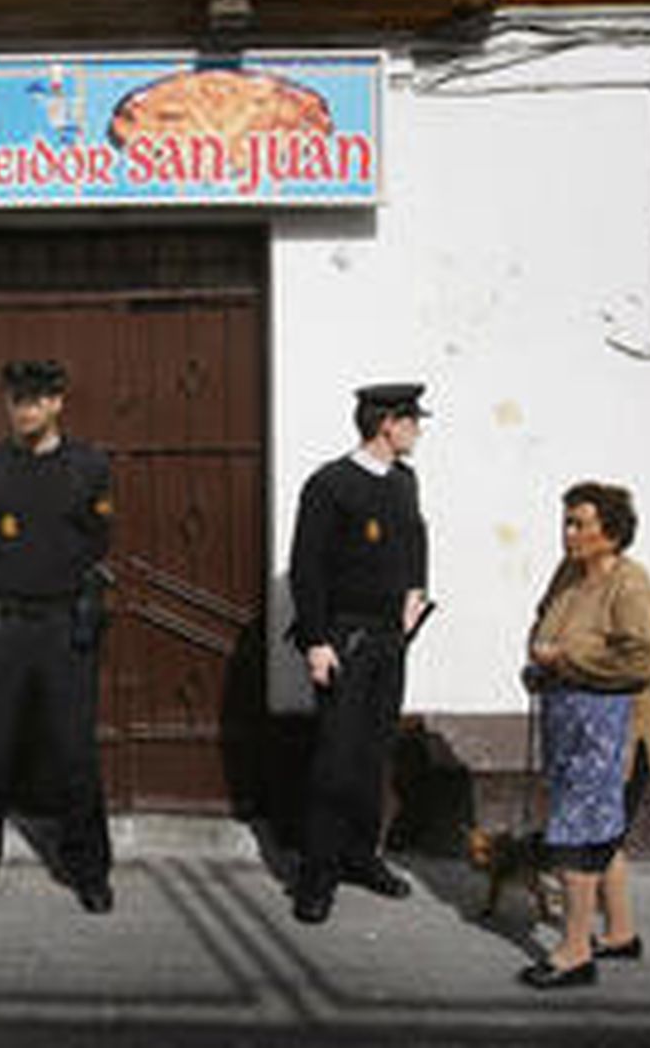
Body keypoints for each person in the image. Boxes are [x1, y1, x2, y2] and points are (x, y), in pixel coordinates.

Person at [0, 359, 115, 914]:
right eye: (16, 399)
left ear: (57, 403)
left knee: (75, 754)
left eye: (36, 399)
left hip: (65, 627)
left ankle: (88, 872)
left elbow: (99, 539)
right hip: (8, 626)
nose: (24, 409)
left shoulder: (89, 467)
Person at [288, 383, 432, 924]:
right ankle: (316, 875)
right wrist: (317, 641)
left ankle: (360, 856)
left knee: (374, 753)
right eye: (412, 420)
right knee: (335, 760)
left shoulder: (404, 480)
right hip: (343, 642)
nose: (418, 429)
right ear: (386, 423)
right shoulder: (330, 485)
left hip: (390, 643)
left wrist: (416, 588)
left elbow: (416, 538)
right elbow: (307, 569)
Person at [519, 481, 650, 990]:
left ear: (612, 533)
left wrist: (568, 659)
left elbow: (643, 657)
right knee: (602, 834)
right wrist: (538, 664)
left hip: (618, 737)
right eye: (567, 522)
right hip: (570, 726)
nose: (569, 533)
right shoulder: (569, 575)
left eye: (580, 524)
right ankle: (620, 933)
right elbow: (544, 623)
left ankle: (575, 953)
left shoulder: (630, 585)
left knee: (578, 840)